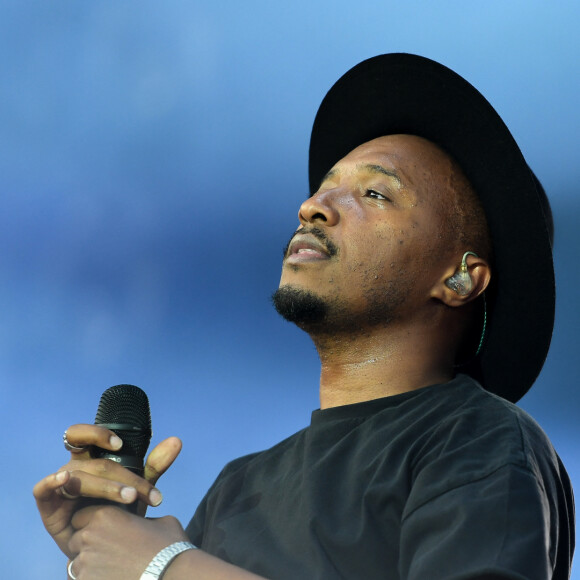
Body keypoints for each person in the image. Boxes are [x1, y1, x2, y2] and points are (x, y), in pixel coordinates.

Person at [34, 54, 574, 579]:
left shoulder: (478, 439)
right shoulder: (239, 488)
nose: (313, 206)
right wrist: (109, 548)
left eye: (374, 192)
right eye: (324, 187)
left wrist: (166, 565)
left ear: (459, 279)